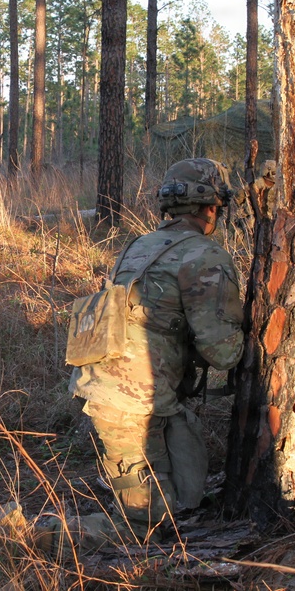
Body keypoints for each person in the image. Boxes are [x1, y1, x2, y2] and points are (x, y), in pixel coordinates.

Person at [58, 158, 245, 550]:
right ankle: (25, 534)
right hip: (131, 401)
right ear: (212, 207)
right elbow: (224, 353)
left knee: (167, 499)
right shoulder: (205, 256)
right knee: (143, 526)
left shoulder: (139, 245)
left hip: (113, 390)